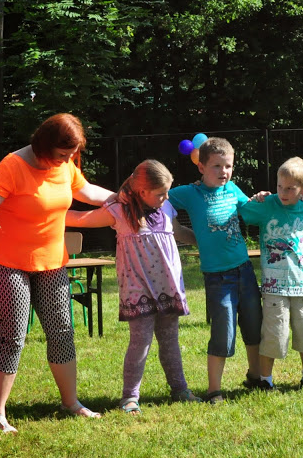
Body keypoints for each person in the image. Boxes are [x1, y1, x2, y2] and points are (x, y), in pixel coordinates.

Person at [0, 113, 114, 432]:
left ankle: (71, 403)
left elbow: (87, 190)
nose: (67, 160)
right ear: (44, 146)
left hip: (52, 263)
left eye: (71, 155)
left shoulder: (64, 165)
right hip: (7, 263)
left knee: (62, 332)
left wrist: (123, 198)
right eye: (62, 154)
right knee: (12, 337)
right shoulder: (13, 166)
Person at [65, 159, 201, 414]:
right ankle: (129, 397)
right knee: (140, 343)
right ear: (142, 191)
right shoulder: (119, 211)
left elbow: (179, 231)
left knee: (170, 341)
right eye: (160, 193)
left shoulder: (166, 207)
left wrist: (203, 241)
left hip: (168, 287)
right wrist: (44, 211)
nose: (166, 197)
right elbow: (81, 219)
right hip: (138, 289)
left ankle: (180, 389)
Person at [168, 137, 263, 404]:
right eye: (217, 166)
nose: (224, 171)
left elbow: (251, 210)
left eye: (228, 166)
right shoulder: (189, 193)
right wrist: (182, 233)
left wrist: (262, 200)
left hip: (245, 270)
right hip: (218, 278)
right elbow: (161, 198)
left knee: (254, 325)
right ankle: (214, 390)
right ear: (201, 167)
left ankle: (256, 377)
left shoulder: (232, 189)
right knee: (223, 332)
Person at [240, 157, 303, 391]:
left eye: (290, 189)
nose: (283, 193)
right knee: (274, 333)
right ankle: (265, 381)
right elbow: (243, 211)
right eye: (279, 186)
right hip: (274, 286)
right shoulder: (267, 204)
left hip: (302, 284)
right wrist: (254, 198)